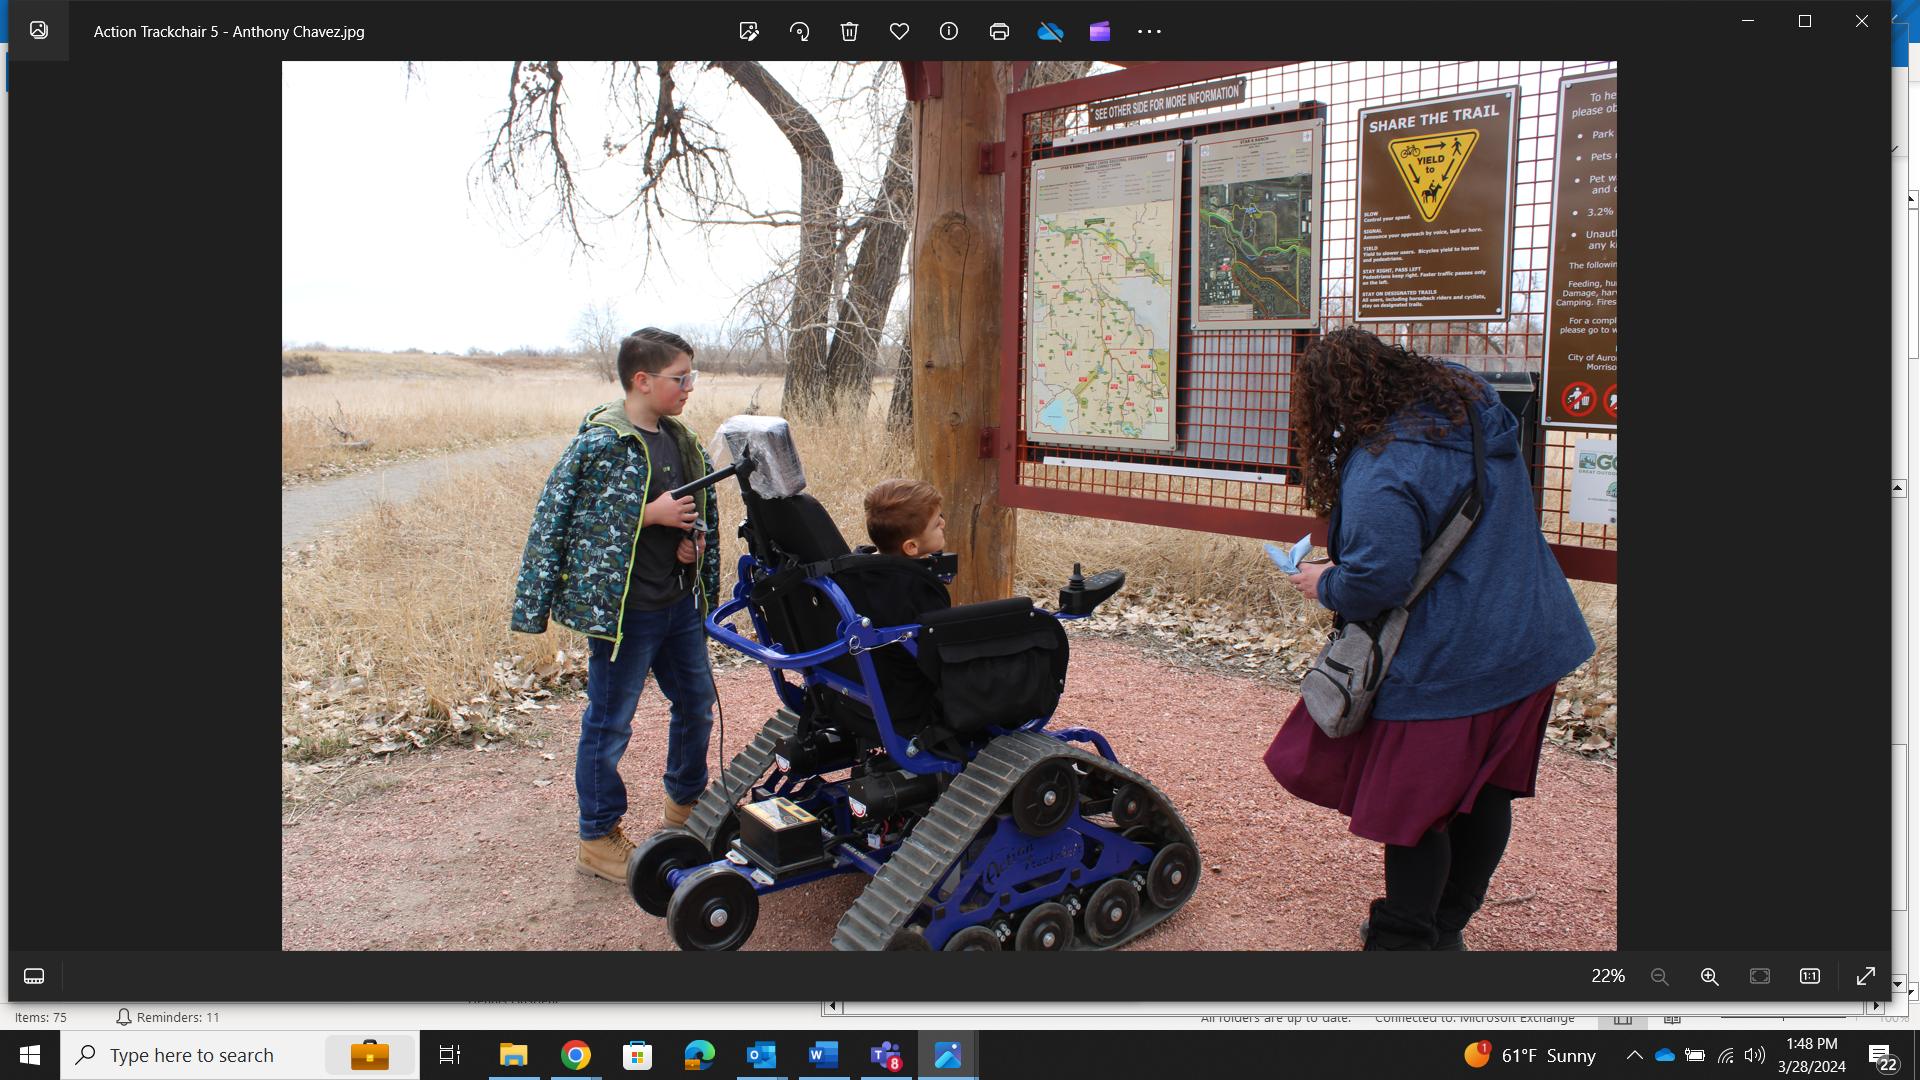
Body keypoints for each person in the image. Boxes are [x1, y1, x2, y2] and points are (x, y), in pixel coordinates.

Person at [1264, 327, 1595, 951]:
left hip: (1450, 659)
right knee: (1486, 792)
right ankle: (1447, 926)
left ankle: (1406, 942)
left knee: (1413, 811)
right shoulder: (1476, 413)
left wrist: (1322, 583)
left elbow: (1376, 582)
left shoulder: (1382, 465)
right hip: (1533, 636)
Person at [511, 327, 722, 885]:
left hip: (677, 605)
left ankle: (685, 806)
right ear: (642, 380)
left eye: (691, 377)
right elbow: (570, 524)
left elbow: (694, 512)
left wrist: (690, 544)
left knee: (697, 704)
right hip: (626, 615)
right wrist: (649, 516)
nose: (689, 388)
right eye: (681, 378)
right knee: (610, 725)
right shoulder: (602, 442)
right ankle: (597, 837)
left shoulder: (681, 439)